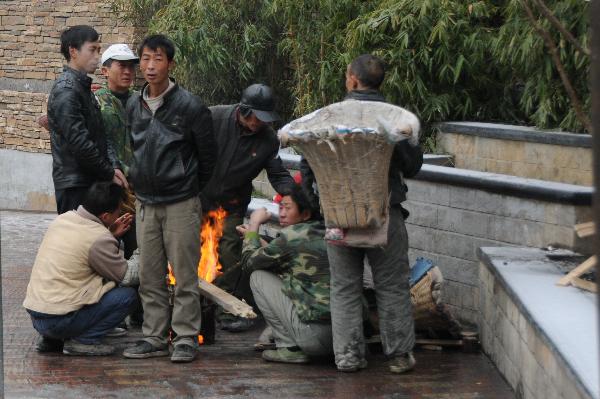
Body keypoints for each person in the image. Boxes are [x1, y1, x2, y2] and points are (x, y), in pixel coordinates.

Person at [301, 54, 423, 373]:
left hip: (338, 216)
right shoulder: (396, 118)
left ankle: (348, 356)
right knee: (392, 284)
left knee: (344, 286)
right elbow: (413, 166)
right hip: (384, 214)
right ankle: (398, 356)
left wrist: (319, 205)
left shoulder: (327, 116)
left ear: (352, 79)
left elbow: (307, 164)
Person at [122, 34, 217, 363]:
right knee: (149, 275)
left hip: (180, 202)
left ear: (171, 64)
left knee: (185, 274)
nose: (150, 66)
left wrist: (186, 187)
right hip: (145, 202)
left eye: (158, 59)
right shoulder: (134, 104)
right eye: (146, 58)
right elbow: (131, 148)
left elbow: (208, 160)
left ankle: (187, 337)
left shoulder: (190, 107)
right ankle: (153, 336)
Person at [202, 84, 295, 331]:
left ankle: (226, 307)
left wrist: (296, 196)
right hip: (198, 197)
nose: (259, 123)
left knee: (230, 251)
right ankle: (192, 304)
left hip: (232, 203)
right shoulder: (213, 117)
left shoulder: (268, 140)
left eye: (265, 119)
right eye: (256, 117)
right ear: (243, 110)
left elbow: (277, 174)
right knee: (191, 249)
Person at [23, 182, 139, 356]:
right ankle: (84, 339)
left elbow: (84, 248)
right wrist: (145, 250)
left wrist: (110, 234)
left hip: (37, 317)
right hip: (58, 321)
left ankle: (54, 338)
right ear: (106, 216)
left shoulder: (64, 219)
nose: (119, 215)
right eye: (118, 211)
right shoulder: (98, 239)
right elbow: (127, 275)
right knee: (127, 296)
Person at [239, 185, 331, 364]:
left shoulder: (292, 235)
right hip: (347, 338)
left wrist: (253, 226)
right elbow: (291, 256)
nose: (281, 213)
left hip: (315, 339)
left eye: (288, 208)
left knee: (258, 277)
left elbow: (249, 263)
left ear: (305, 214)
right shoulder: (329, 230)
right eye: (280, 207)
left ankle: (289, 347)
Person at [47, 25, 127, 214]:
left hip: (90, 180)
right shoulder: (66, 90)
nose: (97, 56)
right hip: (75, 184)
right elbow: (80, 143)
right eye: (92, 50)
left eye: (99, 50)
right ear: (73, 51)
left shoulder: (83, 87)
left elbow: (100, 133)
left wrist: (113, 167)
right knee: (77, 241)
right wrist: (108, 172)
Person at [95, 43, 139, 260]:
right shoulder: (94, 101)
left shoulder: (141, 101)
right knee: (103, 245)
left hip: (134, 189)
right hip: (105, 187)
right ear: (105, 71)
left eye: (131, 67)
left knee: (135, 244)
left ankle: (132, 291)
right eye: (121, 66)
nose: (128, 72)